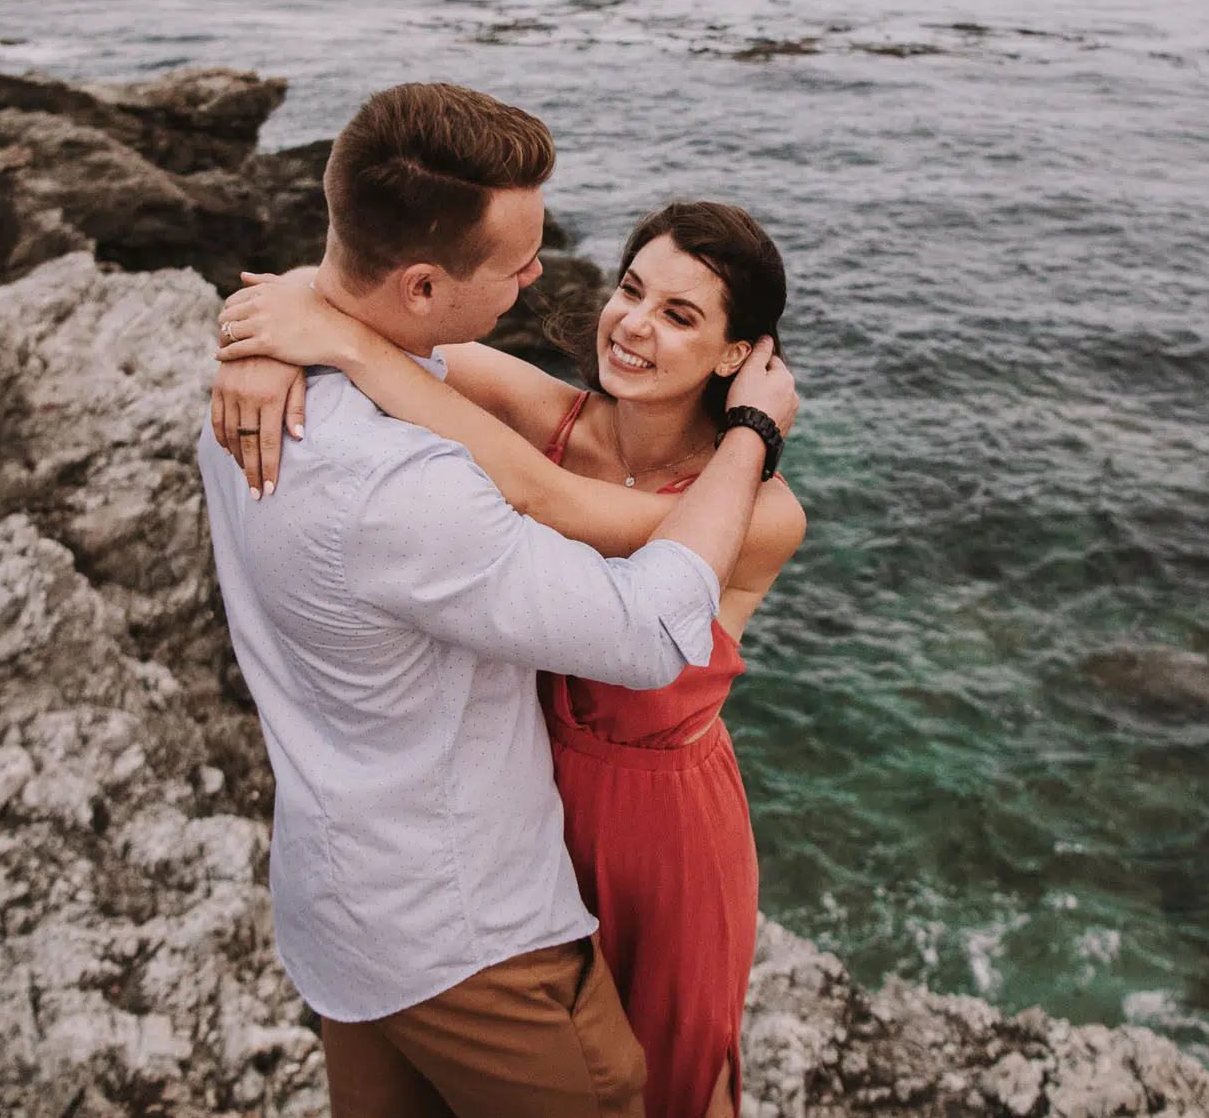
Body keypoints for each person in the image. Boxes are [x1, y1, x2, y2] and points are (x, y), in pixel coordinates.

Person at [196, 82, 797, 1118]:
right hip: (512, 838)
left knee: (674, 1079)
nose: (627, 320)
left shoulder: (761, 509)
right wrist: (285, 326)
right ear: (426, 280)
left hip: (652, 830)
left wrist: (295, 328)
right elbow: (391, 335)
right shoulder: (536, 416)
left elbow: (399, 346)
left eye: (681, 313)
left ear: (737, 355)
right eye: (632, 288)